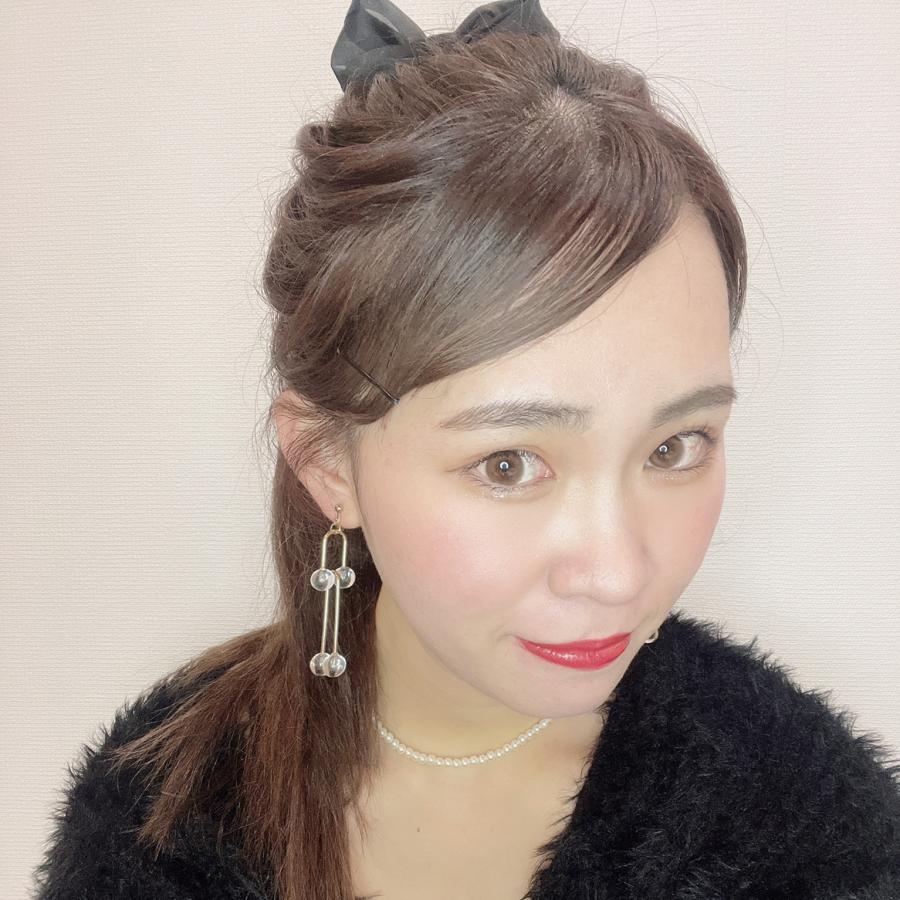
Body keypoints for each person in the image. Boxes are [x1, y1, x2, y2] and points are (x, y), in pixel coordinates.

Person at [32, 1, 900, 899]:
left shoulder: (811, 846)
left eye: (676, 445)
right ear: (328, 462)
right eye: (508, 464)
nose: (617, 574)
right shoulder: (154, 824)